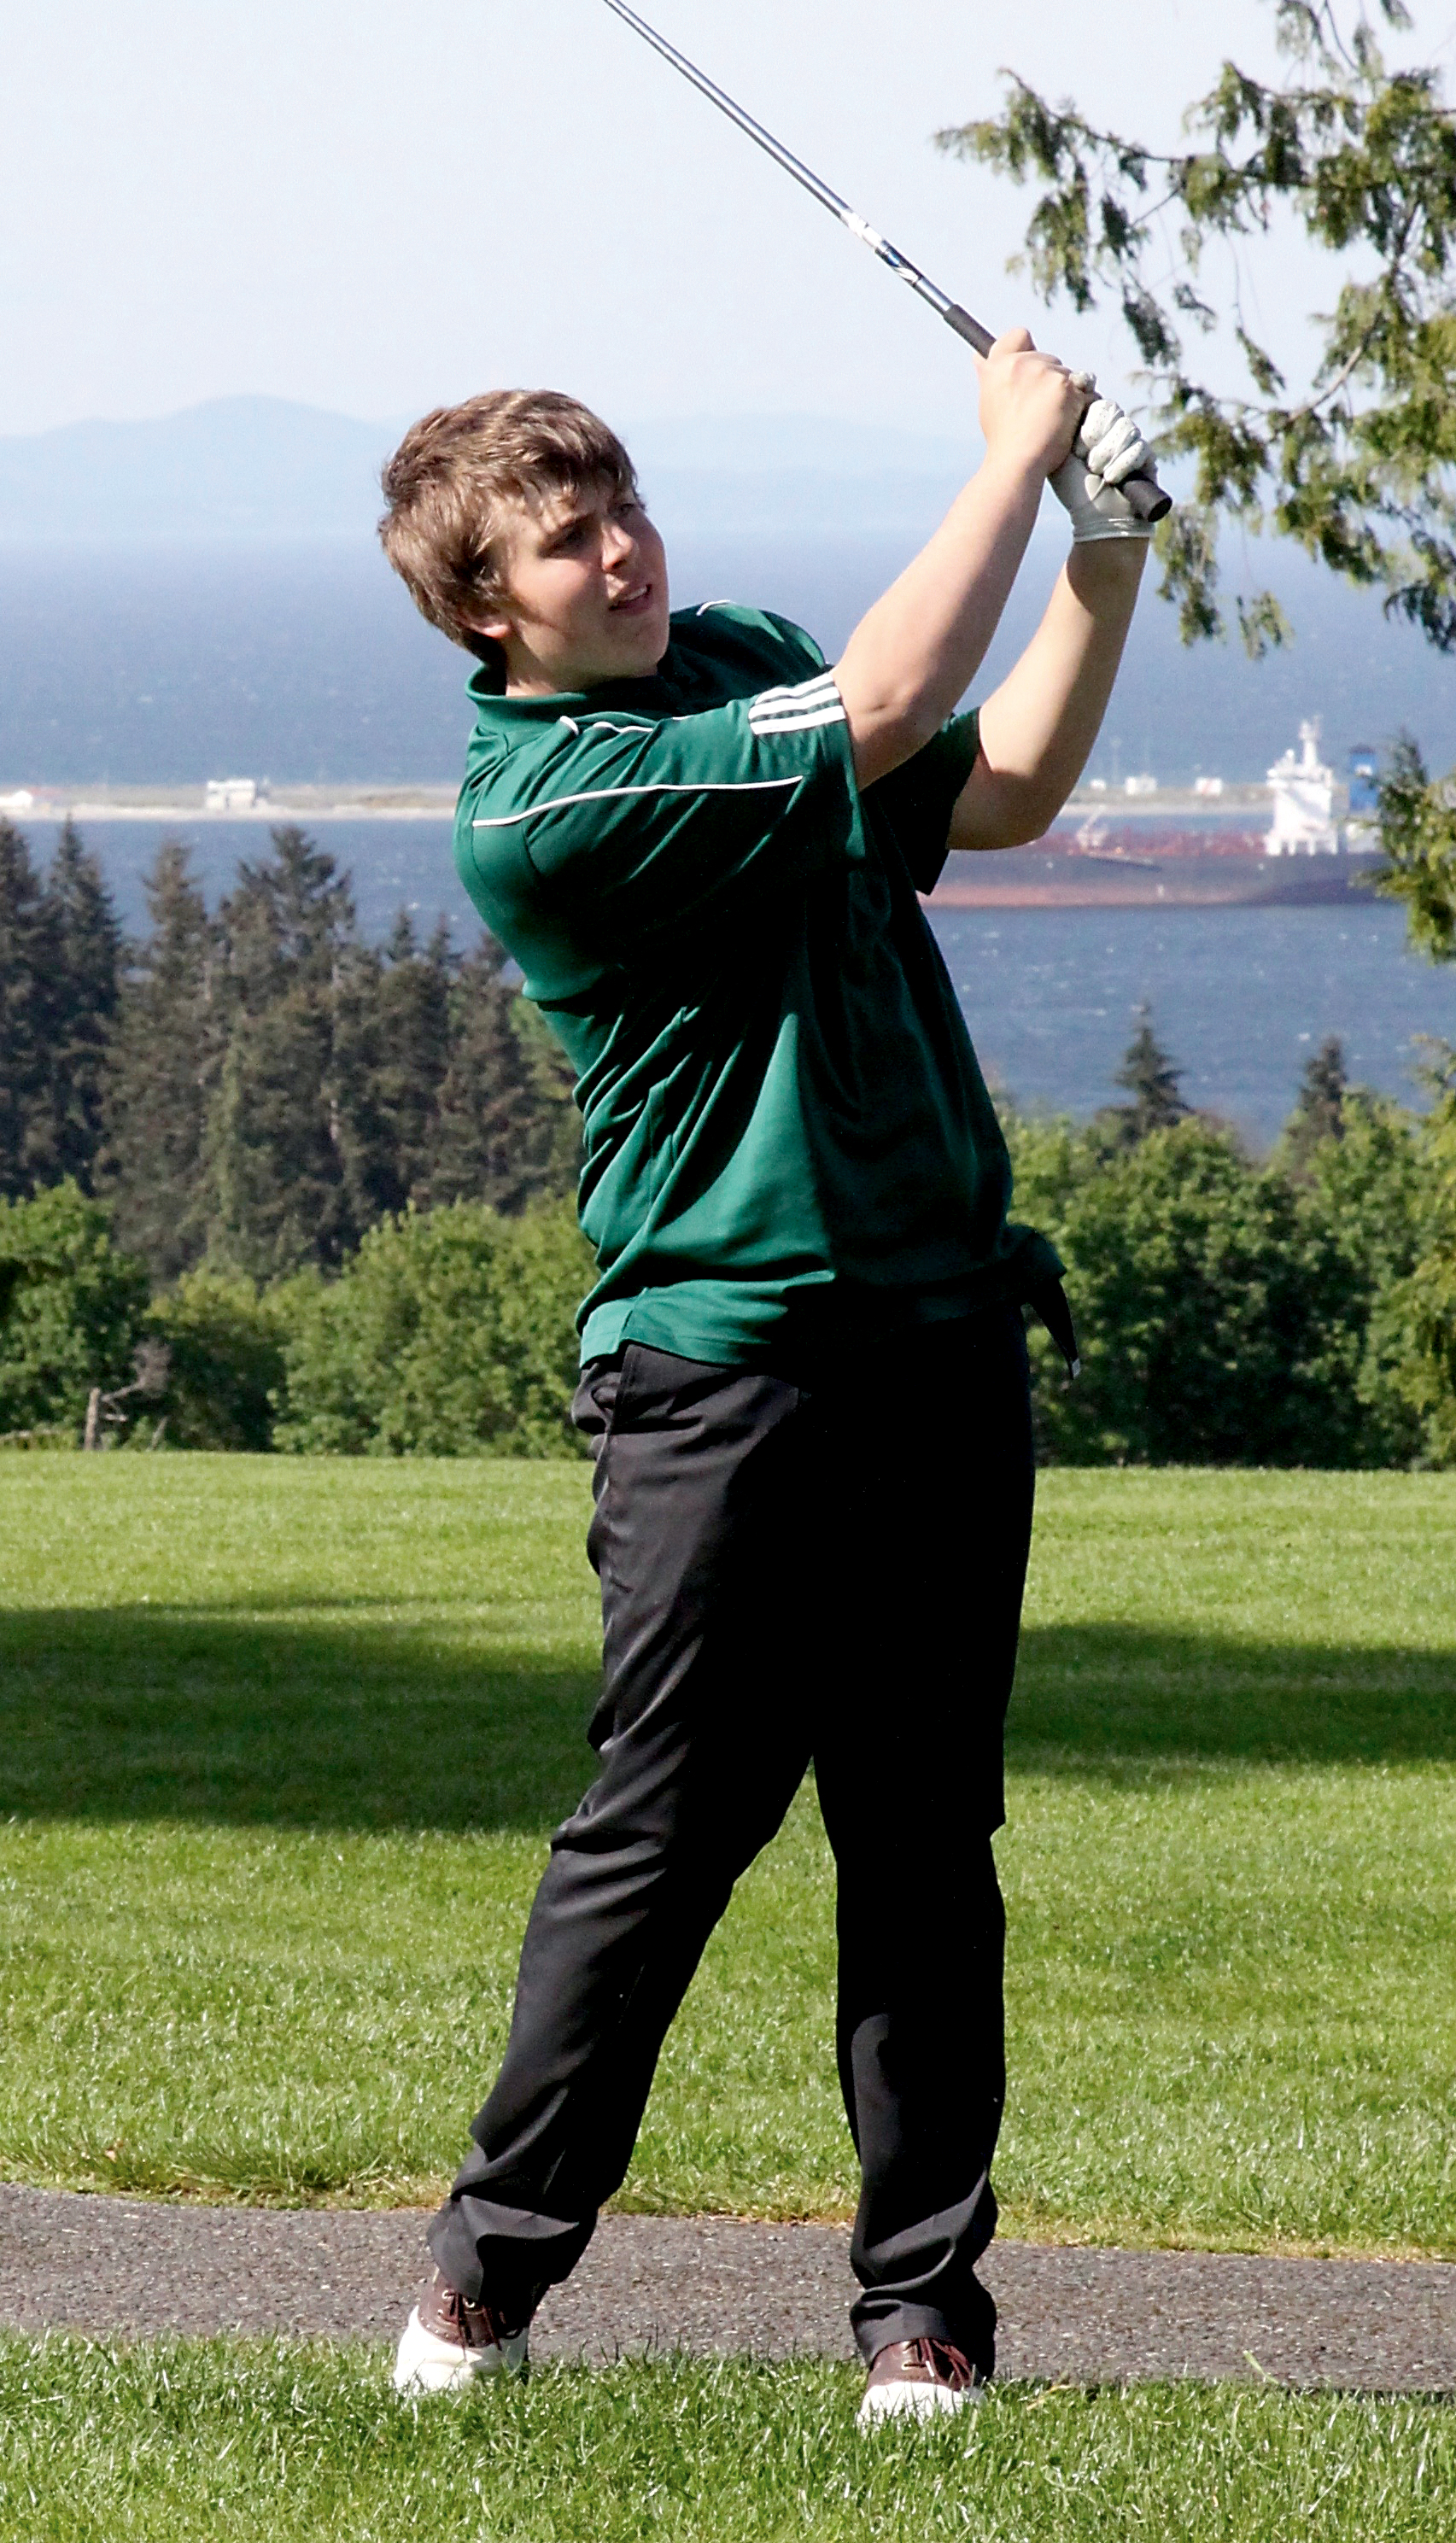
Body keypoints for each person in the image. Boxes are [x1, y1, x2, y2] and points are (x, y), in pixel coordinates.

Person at [375, 333, 1155, 2427]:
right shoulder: (544, 809)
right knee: (666, 1835)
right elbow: (891, 701)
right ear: (483, 608)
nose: (622, 552)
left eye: (624, 504)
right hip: (717, 1371)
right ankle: (487, 2275)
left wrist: (1107, 551)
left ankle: (925, 2316)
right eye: (565, 539)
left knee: (922, 1840)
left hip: (934, 1334)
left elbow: (987, 789)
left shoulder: (737, 655)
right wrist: (1007, 457)